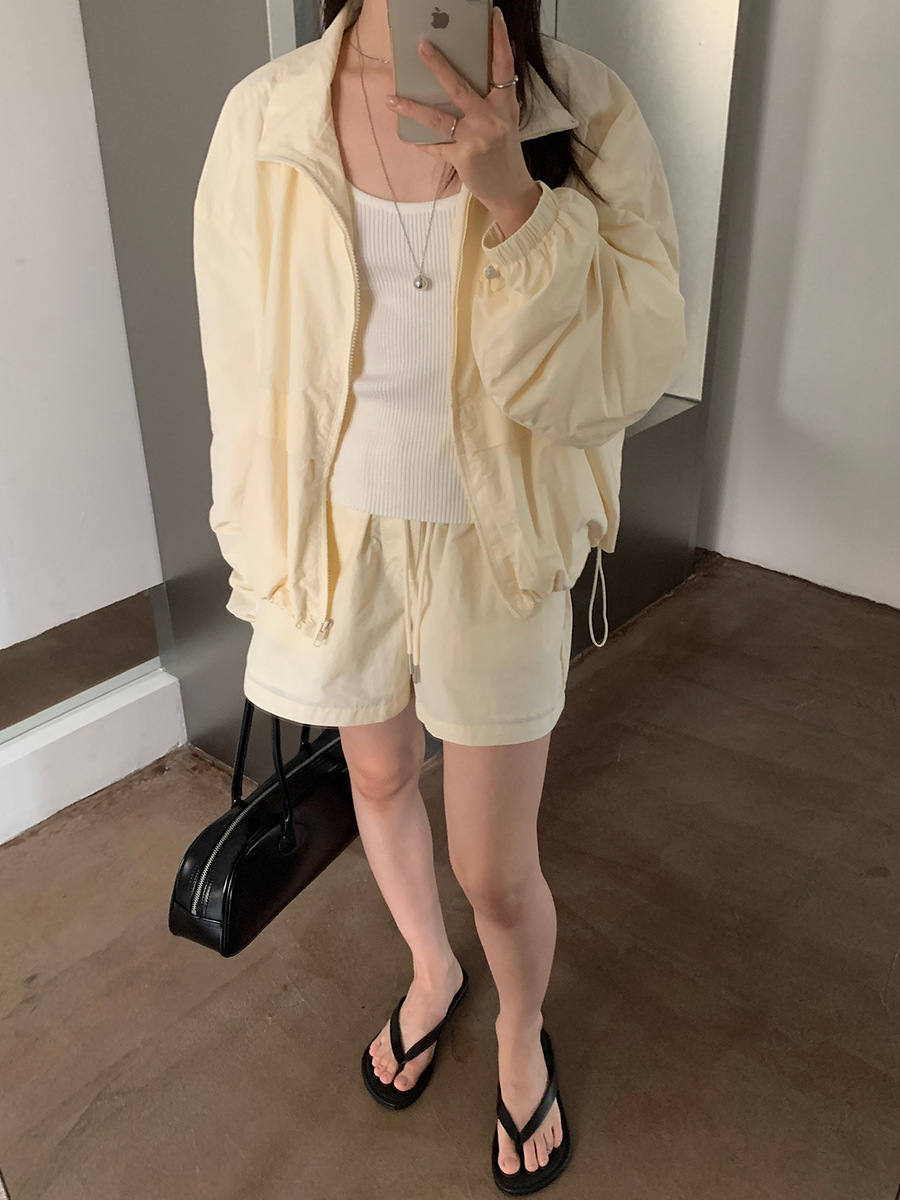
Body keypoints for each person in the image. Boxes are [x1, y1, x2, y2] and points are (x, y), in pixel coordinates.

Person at [192, 0, 686, 1190]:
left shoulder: (583, 109)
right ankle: (431, 969)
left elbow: (633, 361)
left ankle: (521, 1029)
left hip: (496, 535)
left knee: (496, 869)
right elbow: (240, 361)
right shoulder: (268, 118)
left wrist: (517, 200)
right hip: (342, 534)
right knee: (374, 777)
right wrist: (256, 538)